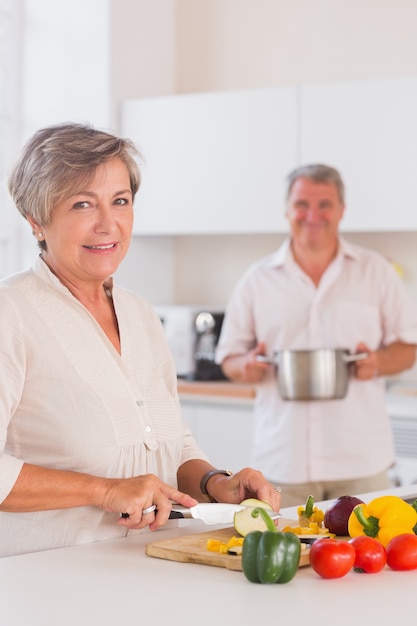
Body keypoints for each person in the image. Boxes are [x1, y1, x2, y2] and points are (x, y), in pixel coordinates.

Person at [0, 122, 280, 557]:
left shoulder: (140, 314)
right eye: (82, 204)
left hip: (154, 567)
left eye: (120, 201)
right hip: (47, 581)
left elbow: (172, 442)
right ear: (36, 220)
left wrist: (215, 483)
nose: (107, 224)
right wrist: (105, 490)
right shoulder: (11, 313)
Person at [216, 163, 417, 508]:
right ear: (287, 210)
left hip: (361, 459)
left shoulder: (376, 271)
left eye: (324, 204)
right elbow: (229, 358)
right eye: (302, 204)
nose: (313, 214)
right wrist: (246, 366)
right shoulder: (257, 279)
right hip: (282, 461)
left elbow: (407, 347)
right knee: (286, 557)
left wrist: (378, 362)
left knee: (368, 557)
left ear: (341, 210)